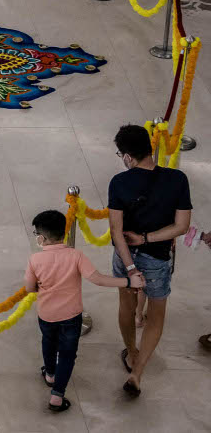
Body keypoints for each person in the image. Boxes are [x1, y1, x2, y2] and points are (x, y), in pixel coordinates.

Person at [24, 210, 142, 412]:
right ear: (65, 233)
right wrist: (129, 280)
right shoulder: (76, 255)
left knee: (48, 343)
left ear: (41, 238)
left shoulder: (35, 260)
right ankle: (57, 396)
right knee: (68, 354)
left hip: (47, 315)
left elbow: (29, 288)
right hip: (71, 317)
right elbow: (98, 279)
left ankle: (50, 374)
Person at [108, 124, 192, 398]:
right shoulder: (177, 179)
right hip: (157, 258)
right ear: (151, 147)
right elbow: (181, 227)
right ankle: (138, 371)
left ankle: (131, 352)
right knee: (156, 314)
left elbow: (117, 234)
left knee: (126, 304)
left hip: (126, 258)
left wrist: (131, 267)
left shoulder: (119, 183)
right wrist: (146, 238)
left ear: (127, 157)